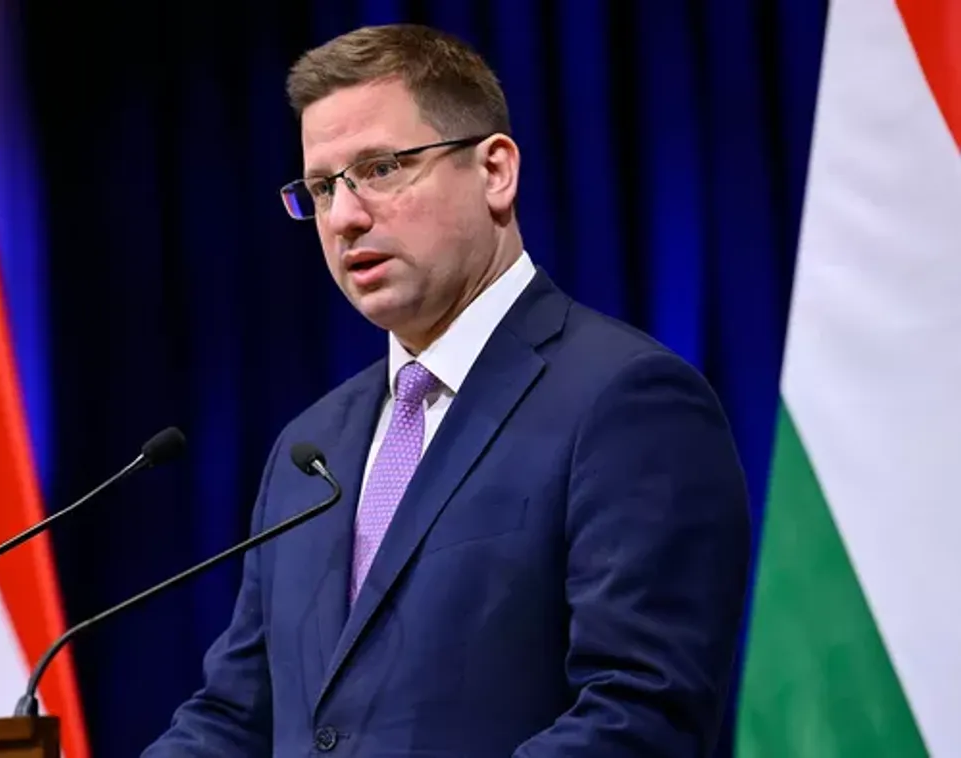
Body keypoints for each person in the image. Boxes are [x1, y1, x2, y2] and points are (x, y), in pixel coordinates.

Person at [143, 23, 751, 758]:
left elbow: (640, 713)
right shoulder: (310, 448)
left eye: (379, 168)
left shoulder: (626, 402)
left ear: (494, 171)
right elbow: (235, 718)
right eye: (322, 187)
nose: (344, 218)